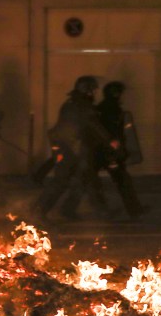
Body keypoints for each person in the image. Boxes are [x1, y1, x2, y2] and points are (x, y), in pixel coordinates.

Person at [33, 75, 114, 221]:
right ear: (87, 90)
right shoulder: (81, 105)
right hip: (70, 148)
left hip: (71, 147)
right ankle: (39, 210)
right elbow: (93, 125)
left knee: (82, 179)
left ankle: (67, 210)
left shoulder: (73, 103)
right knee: (63, 181)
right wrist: (110, 140)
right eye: (93, 90)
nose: (95, 93)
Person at [95, 81, 147, 219]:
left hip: (105, 152)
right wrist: (113, 155)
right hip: (109, 153)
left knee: (90, 182)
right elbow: (111, 134)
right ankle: (135, 211)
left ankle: (135, 210)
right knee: (123, 181)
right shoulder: (111, 110)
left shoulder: (105, 108)